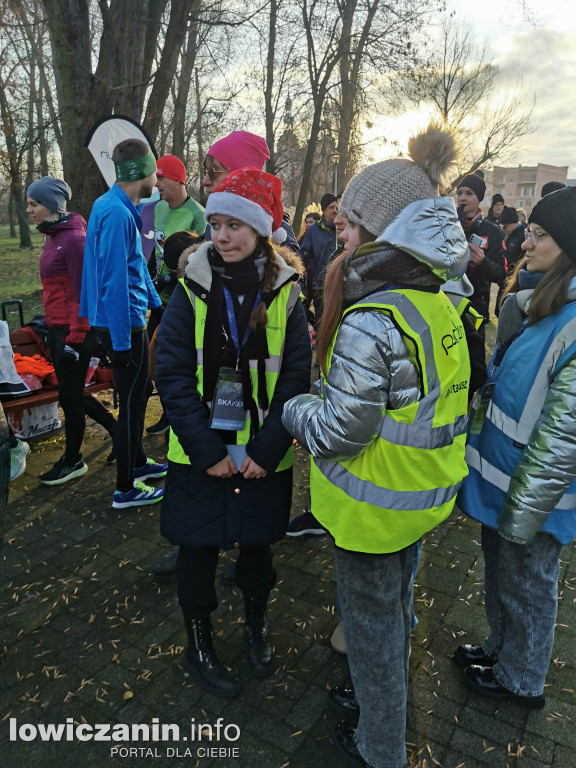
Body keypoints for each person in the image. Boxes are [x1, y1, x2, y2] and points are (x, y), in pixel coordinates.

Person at [282, 125, 471, 768]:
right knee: (396, 607)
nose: (341, 232)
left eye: (354, 224)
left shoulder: (371, 319)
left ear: (388, 233)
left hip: (370, 512)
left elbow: (338, 429)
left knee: (372, 636)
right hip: (420, 499)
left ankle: (378, 745)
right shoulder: (441, 300)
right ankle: (381, 709)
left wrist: (294, 407)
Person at [154, 167, 311, 697]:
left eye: (234, 225)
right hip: (202, 450)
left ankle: (255, 624)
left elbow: (295, 377)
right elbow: (171, 372)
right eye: (215, 224)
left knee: (257, 549)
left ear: (261, 230)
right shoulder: (191, 287)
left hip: (263, 452)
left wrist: (268, 449)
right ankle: (198, 642)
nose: (221, 236)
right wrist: (204, 450)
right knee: (197, 550)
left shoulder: (288, 293)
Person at [455, 185, 576, 710]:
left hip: (534, 501)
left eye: (541, 236)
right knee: (503, 577)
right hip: (504, 483)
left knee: (528, 589)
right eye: (529, 233)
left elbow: (559, 444)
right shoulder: (542, 306)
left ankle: (522, 679)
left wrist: (524, 517)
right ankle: (498, 651)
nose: (527, 244)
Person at [80, 139, 167, 509]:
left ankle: (138, 461)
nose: (158, 177)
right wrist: (119, 344)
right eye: (155, 170)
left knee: (140, 393)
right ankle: (125, 489)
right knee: (132, 403)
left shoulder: (112, 205)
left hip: (130, 319)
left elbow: (133, 266)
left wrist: (156, 303)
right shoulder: (116, 214)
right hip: (123, 325)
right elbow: (113, 281)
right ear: (141, 173)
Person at [26, 177, 116, 485]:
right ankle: (117, 432)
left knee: (70, 397)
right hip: (57, 327)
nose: (29, 210)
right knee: (71, 395)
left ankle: (73, 460)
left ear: (51, 206)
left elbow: (84, 292)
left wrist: (75, 339)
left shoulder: (75, 240)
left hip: (74, 330)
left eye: (34, 204)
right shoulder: (53, 236)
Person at [145, 155, 206, 437]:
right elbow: (154, 250)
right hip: (159, 296)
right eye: (155, 179)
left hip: (183, 297)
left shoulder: (198, 212)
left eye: (162, 179)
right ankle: (161, 409)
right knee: (153, 355)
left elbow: (204, 257)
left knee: (178, 359)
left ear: (179, 180)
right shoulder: (157, 209)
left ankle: (177, 414)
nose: (157, 184)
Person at [201, 130, 300, 253]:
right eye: (205, 172)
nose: (205, 181)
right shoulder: (213, 226)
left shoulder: (276, 234)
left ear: (243, 176)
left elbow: (295, 269)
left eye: (212, 173)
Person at [456, 174, 507, 328]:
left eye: (469, 193)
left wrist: (483, 262)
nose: (462, 198)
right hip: (446, 302)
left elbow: (501, 274)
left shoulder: (492, 231)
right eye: (459, 193)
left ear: (479, 198)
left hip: (476, 305)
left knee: (473, 351)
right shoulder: (447, 225)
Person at [299, 192, 339, 326]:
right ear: (324, 209)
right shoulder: (313, 231)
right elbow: (303, 257)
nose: (335, 210)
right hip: (320, 286)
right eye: (331, 207)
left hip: (340, 285)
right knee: (321, 323)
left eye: (337, 207)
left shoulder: (342, 228)